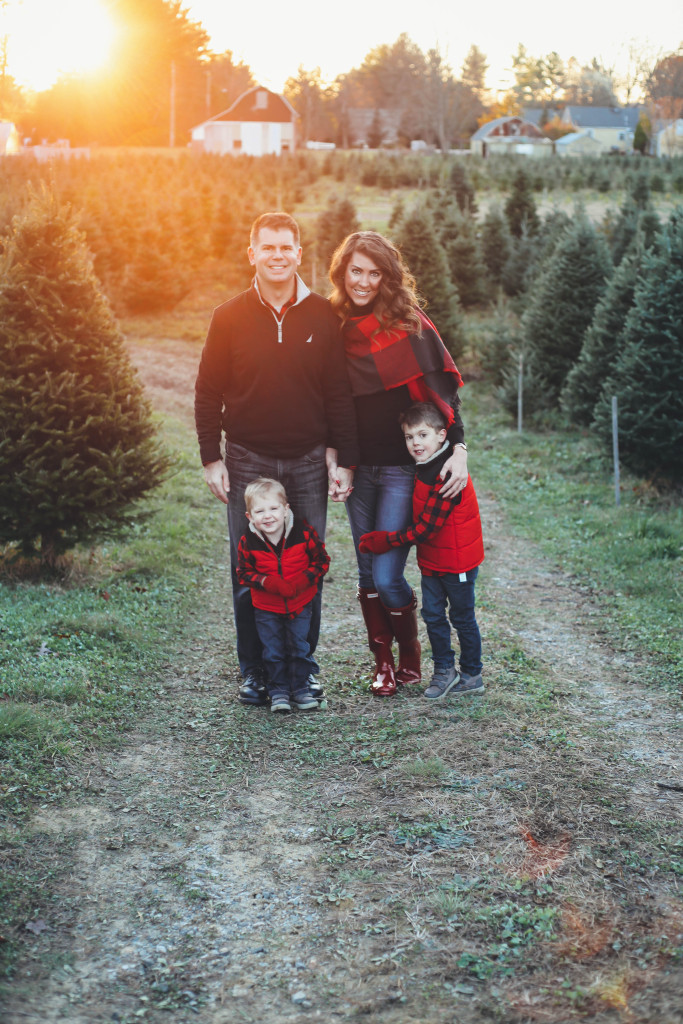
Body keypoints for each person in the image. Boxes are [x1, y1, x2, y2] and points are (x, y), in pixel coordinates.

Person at [195, 212, 358, 707]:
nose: (278, 255)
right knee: (249, 568)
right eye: (268, 247)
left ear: (299, 253)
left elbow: (338, 392)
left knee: (306, 566)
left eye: (286, 247)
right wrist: (211, 457)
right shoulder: (228, 316)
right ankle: (256, 672)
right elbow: (207, 391)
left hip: (308, 460)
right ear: (252, 253)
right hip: (247, 459)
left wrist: (343, 457)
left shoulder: (324, 316)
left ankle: (302, 670)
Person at [328, 231, 468, 697]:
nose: (363, 282)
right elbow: (330, 401)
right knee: (367, 572)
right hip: (357, 468)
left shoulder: (409, 326)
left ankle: (409, 651)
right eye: (356, 271)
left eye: (374, 273)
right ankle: (383, 663)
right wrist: (340, 459)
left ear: (387, 278)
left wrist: (460, 449)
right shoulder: (335, 326)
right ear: (342, 272)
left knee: (387, 575)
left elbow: (444, 397)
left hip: (399, 471)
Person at [359, 402, 484, 701]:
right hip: (432, 560)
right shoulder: (422, 467)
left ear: (442, 436)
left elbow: (426, 528)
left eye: (423, 435)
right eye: (409, 437)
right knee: (432, 614)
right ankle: (443, 670)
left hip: (458, 562)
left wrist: (386, 541)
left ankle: (471, 673)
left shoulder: (447, 474)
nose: (415, 443)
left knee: (462, 617)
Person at [236, 477, 330, 713]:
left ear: (286, 510)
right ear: (250, 517)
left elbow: (322, 562)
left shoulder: (303, 533)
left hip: (300, 604)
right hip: (266, 607)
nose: (268, 516)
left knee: (299, 646)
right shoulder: (249, 542)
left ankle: (300, 689)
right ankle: (278, 691)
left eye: (274, 508)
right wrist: (269, 582)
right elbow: (243, 574)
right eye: (260, 511)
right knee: (273, 649)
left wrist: (301, 581)